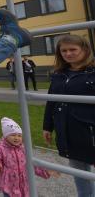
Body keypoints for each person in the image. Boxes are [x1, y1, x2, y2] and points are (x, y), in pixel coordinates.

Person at [42, 34, 95, 197]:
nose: (68, 53)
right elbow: (51, 101)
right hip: (69, 131)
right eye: (64, 50)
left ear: (85, 50)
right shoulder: (59, 74)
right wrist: (47, 127)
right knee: (79, 172)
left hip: (90, 131)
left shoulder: (92, 73)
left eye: (73, 49)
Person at [0, 117, 56, 197]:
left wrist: (46, 170)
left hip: (24, 183)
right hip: (9, 183)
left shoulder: (23, 148)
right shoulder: (1, 147)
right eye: (13, 135)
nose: (16, 138)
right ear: (6, 136)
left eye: (19, 135)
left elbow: (31, 164)